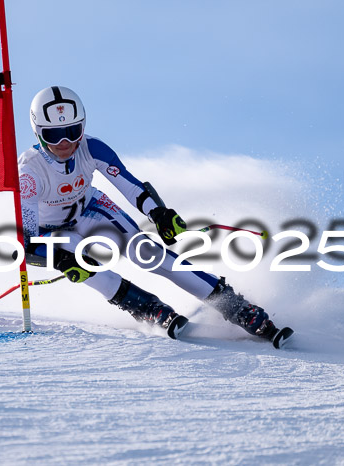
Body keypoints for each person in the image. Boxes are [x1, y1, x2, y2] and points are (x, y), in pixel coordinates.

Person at [18, 86, 291, 346]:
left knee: (146, 252)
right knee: (78, 257)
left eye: (72, 131)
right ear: (38, 132)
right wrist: (62, 260)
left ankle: (235, 307)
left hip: (91, 209)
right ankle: (148, 308)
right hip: (53, 231)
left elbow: (131, 185)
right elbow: (28, 241)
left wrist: (159, 214)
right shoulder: (30, 172)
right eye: (54, 135)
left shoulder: (92, 148)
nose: (65, 142)